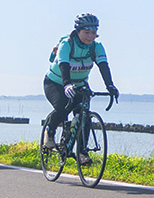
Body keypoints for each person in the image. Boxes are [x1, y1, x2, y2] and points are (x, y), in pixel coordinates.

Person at [43, 14, 119, 164]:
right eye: (87, 32)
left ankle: (82, 152)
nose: (90, 36)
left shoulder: (96, 47)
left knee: (84, 116)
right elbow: (63, 65)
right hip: (55, 82)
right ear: (78, 31)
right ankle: (49, 131)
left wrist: (110, 85)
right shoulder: (67, 44)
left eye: (93, 32)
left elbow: (103, 66)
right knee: (62, 106)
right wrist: (66, 84)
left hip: (80, 83)